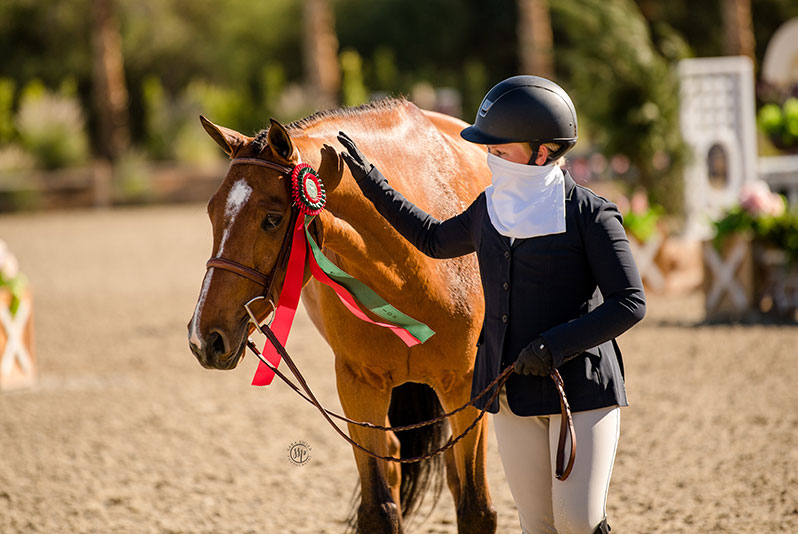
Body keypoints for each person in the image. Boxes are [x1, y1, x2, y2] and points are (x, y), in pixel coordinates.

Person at [337, 75, 645, 534]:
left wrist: (554, 345)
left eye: (502, 150)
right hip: (513, 389)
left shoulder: (591, 214)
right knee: (537, 524)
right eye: (490, 150)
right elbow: (432, 238)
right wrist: (372, 183)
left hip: (581, 389)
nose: (490, 159)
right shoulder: (490, 207)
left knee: (577, 521)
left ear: (543, 151)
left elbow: (630, 302)